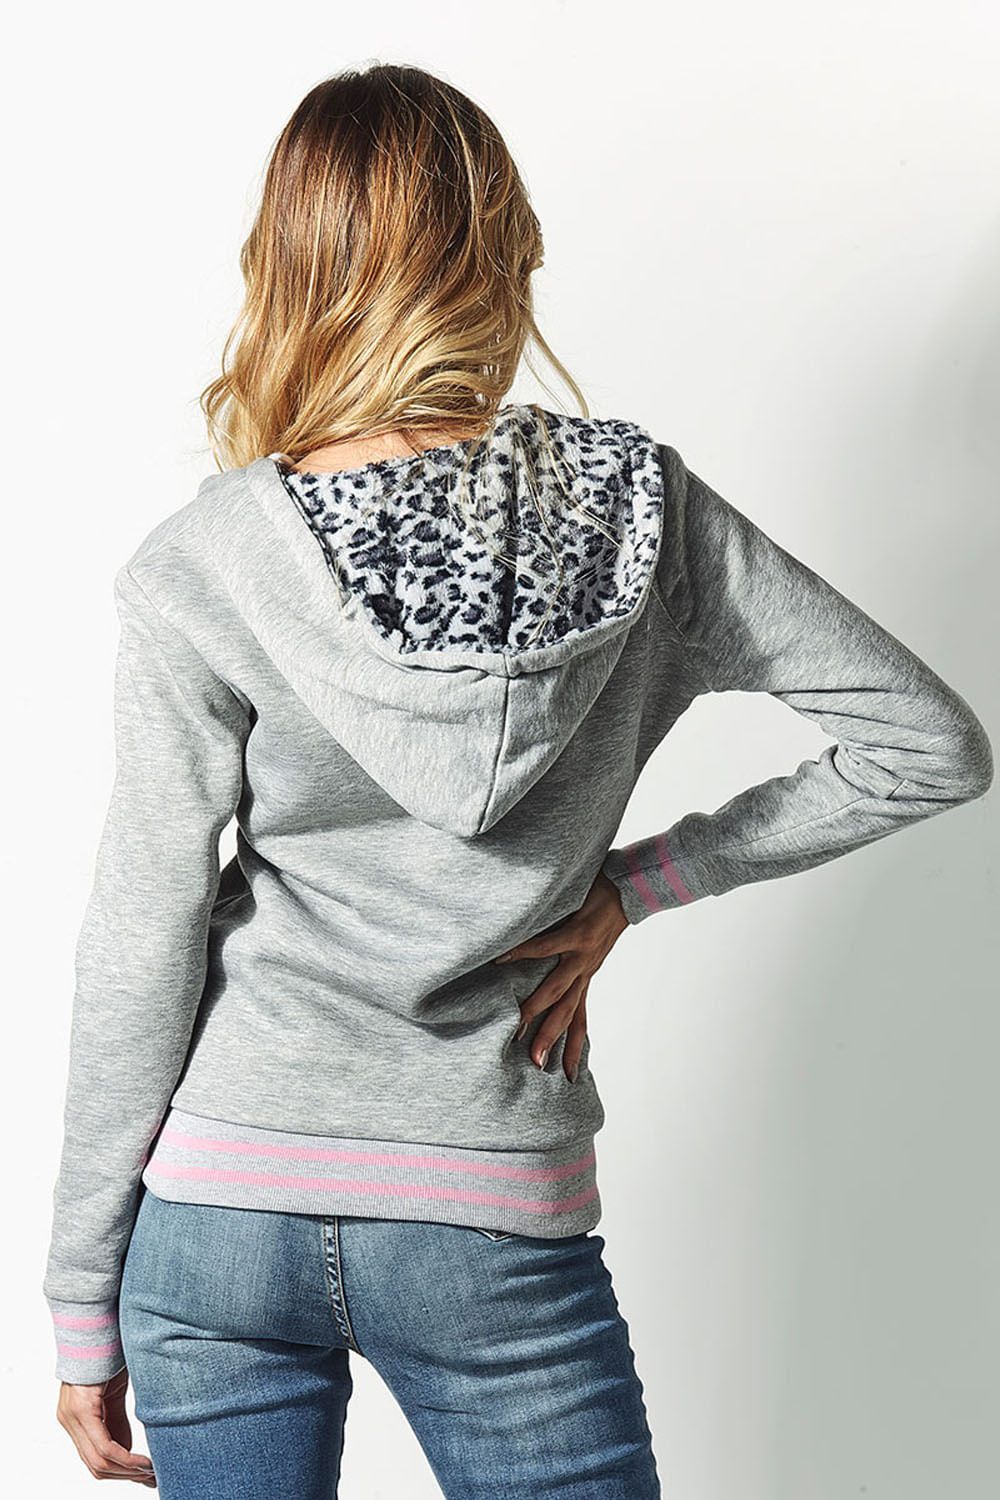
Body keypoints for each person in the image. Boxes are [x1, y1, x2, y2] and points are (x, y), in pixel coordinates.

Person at [43, 61, 993, 1500]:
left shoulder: (211, 558)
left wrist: (81, 1296)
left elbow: (144, 929)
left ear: (287, 268)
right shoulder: (645, 515)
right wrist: (636, 888)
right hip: (486, 1197)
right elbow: (927, 742)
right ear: (505, 254)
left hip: (220, 1205)